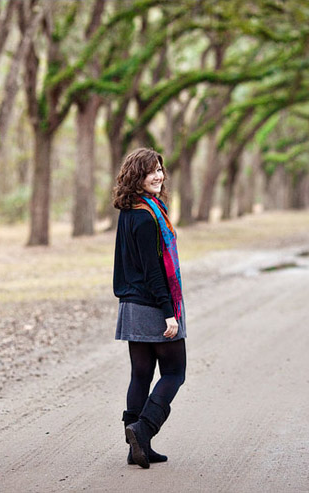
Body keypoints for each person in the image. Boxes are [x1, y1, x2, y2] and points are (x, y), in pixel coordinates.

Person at [112, 148, 187, 469]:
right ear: (136, 176)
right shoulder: (146, 217)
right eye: (150, 171)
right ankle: (143, 430)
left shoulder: (132, 211)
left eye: (160, 169)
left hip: (132, 303)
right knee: (174, 372)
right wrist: (169, 311)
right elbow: (154, 269)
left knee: (141, 375)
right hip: (153, 305)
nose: (158, 175)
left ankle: (137, 448)